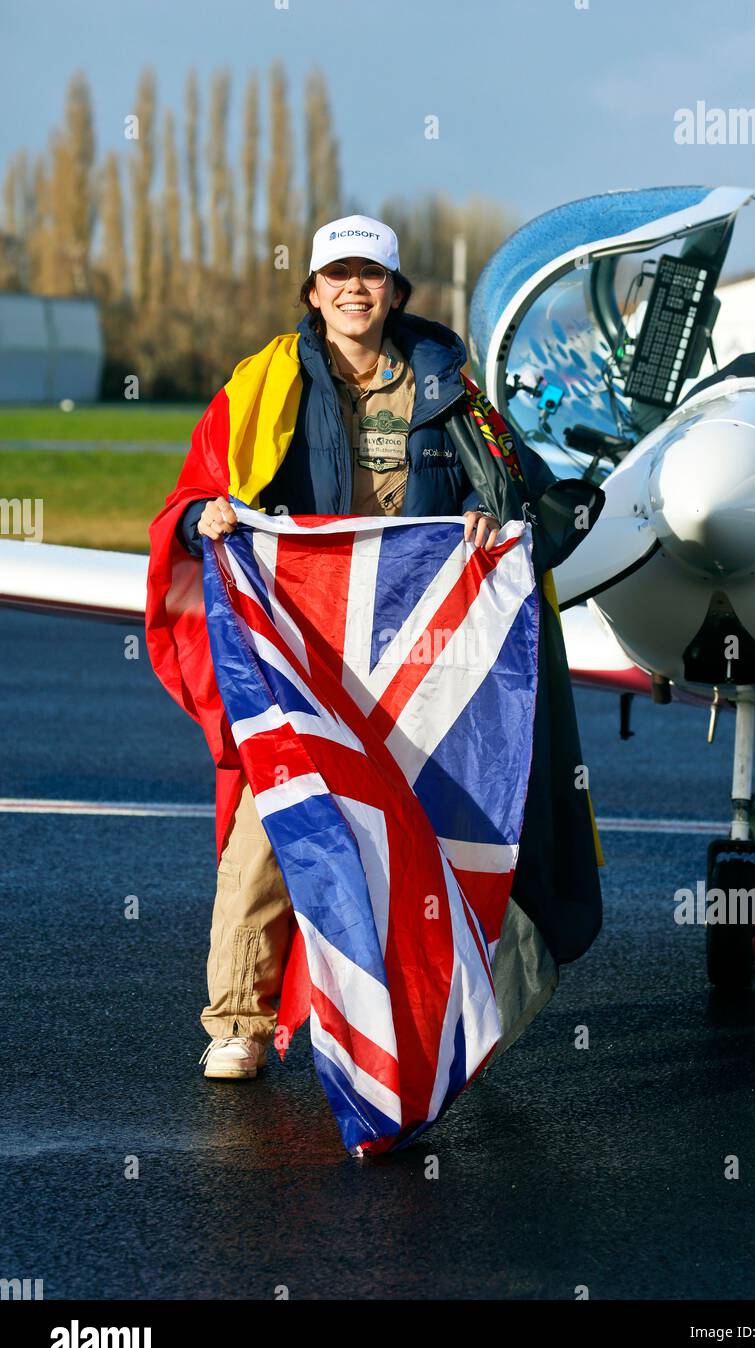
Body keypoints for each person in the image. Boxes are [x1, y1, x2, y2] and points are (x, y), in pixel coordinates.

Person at [158, 213, 551, 1080]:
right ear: (311, 291)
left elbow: (534, 501)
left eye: (369, 276)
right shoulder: (264, 387)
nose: (353, 289)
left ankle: (442, 1021)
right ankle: (238, 1022)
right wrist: (206, 517)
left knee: (448, 836)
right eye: (335, 275)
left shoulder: (454, 391)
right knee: (270, 826)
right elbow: (188, 499)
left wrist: (501, 518)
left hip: (426, 660)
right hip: (304, 653)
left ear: (397, 291)